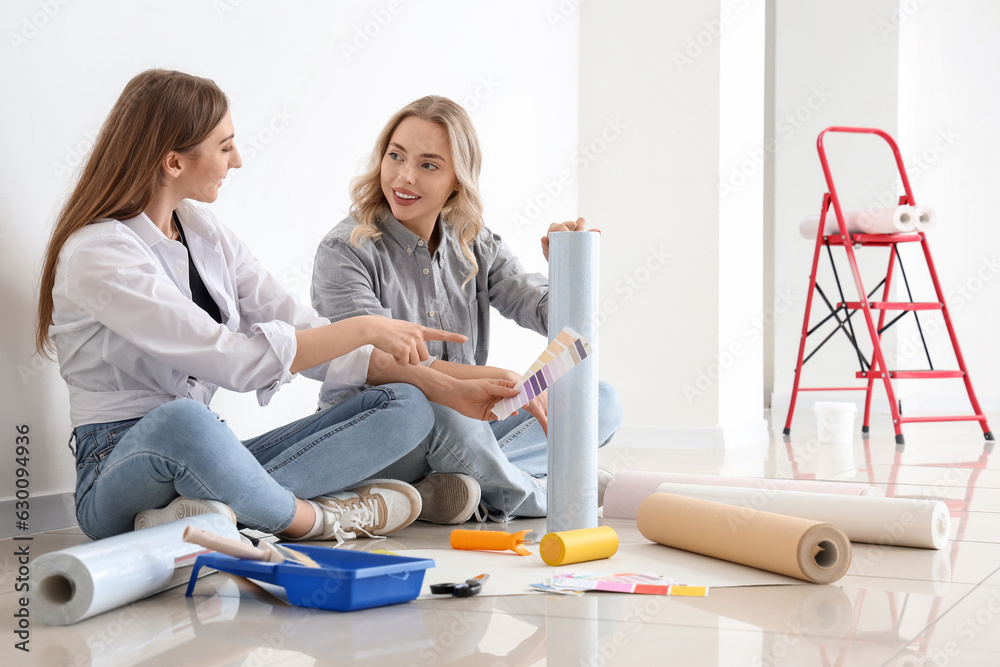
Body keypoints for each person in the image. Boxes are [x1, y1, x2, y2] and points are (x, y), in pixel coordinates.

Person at [35, 70, 520, 542]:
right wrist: (366, 327)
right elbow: (233, 361)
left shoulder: (202, 231)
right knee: (183, 421)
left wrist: (438, 384)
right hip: (117, 466)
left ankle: (215, 513)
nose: (238, 160)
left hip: (210, 455)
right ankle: (319, 518)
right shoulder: (100, 254)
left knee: (408, 404)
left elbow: (297, 326)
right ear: (174, 162)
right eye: (225, 147)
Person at [311, 95, 623, 522]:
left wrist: (566, 266)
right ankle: (553, 493)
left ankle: (453, 487)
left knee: (597, 399)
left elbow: (550, 317)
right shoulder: (345, 249)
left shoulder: (473, 241)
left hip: (471, 423)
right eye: (395, 156)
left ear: (458, 179)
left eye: (429, 165)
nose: (404, 177)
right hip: (388, 427)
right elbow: (383, 363)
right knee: (435, 403)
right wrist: (495, 381)